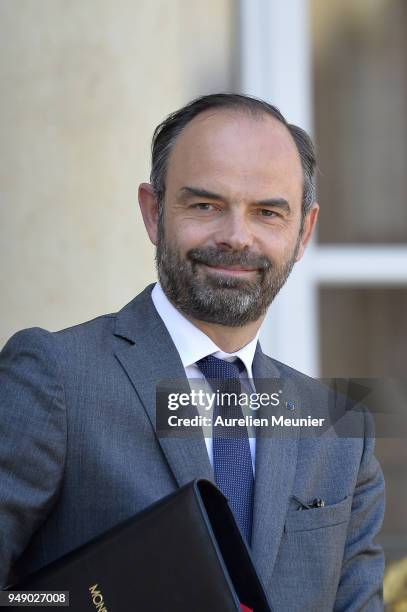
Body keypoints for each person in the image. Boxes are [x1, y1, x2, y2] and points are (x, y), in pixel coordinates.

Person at [0, 93, 384, 610]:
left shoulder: (341, 430)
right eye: (206, 205)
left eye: (267, 212)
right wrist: (62, 603)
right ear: (154, 212)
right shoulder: (55, 378)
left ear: (303, 232)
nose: (236, 236)